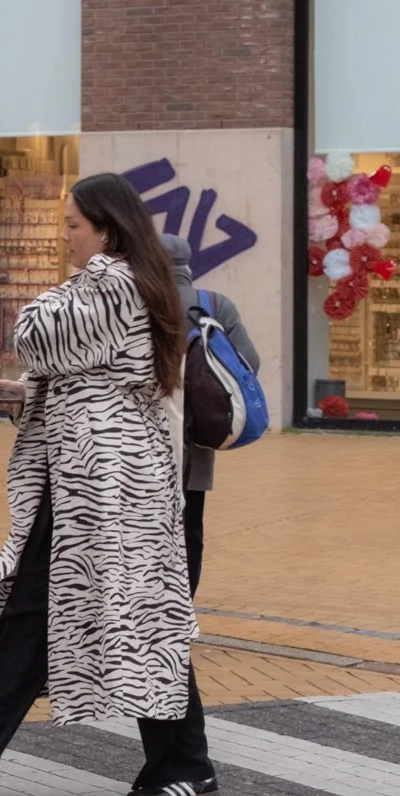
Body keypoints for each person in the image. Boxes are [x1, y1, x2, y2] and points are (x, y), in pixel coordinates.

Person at [0, 173, 217, 796]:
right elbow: (89, 372)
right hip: (92, 478)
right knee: (101, 610)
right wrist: (28, 395)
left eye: (73, 224)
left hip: (108, 484)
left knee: (112, 611)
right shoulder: (128, 281)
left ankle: (183, 761)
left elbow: (34, 335)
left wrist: (36, 365)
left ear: (106, 227)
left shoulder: (115, 281)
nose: (64, 236)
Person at [161, 232, 261, 597]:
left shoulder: (139, 304)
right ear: (187, 265)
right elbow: (250, 363)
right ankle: (181, 617)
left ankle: (148, 623)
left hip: (140, 444)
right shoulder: (216, 305)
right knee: (189, 533)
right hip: (196, 442)